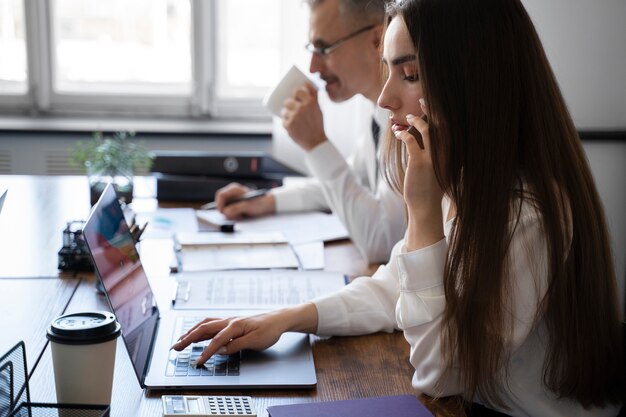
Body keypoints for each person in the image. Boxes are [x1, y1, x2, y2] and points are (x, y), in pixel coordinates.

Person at [173, 0, 625, 415]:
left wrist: (423, 215)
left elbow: (439, 373)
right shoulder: (464, 176)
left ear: (474, 83)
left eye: (408, 76)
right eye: (389, 72)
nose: (386, 97)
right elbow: (393, 286)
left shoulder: (524, 215)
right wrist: (287, 319)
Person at [214, 0, 406, 264]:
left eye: (323, 48)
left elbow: (382, 242)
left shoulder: (407, 120)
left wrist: (317, 144)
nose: (313, 67)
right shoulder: (375, 112)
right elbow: (353, 181)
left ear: (377, 40)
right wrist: (265, 200)